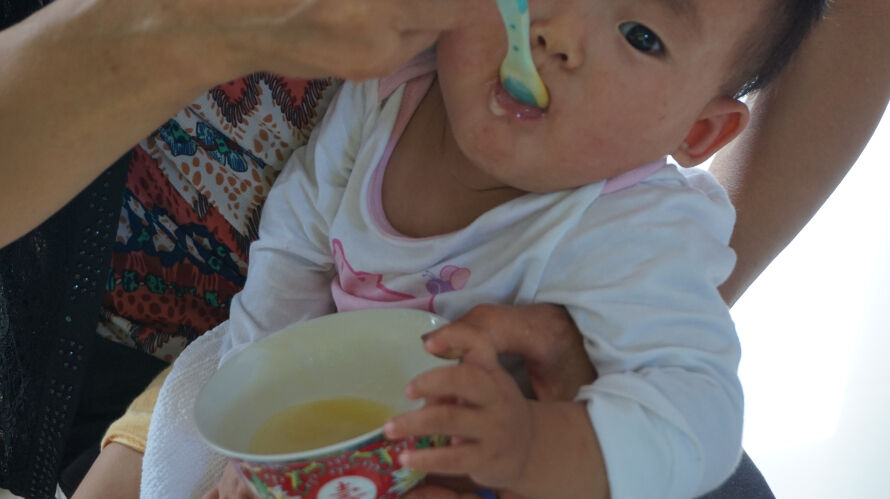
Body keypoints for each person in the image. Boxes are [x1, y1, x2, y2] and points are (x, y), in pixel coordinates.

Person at [0, 0, 884, 496]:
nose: (558, 33)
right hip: (280, 369)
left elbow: (700, 415)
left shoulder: (640, 234)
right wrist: (252, 433)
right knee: (135, 464)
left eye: (640, 35)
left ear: (698, 132)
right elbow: (296, 244)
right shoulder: (389, 98)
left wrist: (538, 447)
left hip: (484, 445)